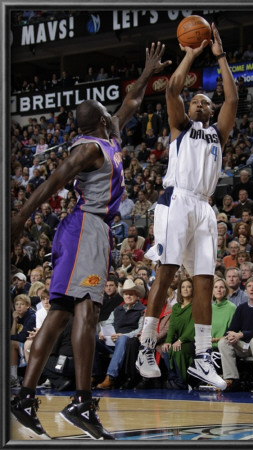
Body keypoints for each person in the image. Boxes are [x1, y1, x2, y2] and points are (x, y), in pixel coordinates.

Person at [10, 42, 171, 440]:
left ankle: (25, 397)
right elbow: (51, 183)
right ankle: (81, 401)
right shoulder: (88, 149)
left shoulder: (107, 139)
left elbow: (131, 103)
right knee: (87, 312)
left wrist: (147, 72)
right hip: (87, 229)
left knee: (63, 312)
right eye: (107, 112)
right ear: (100, 120)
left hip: (85, 230)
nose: (116, 114)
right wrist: (15, 223)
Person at [135, 23, 238, 391]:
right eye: (195, 100)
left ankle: (202, 358)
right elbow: (174, 88)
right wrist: (191, 53)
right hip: (176, 198)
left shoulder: (217, 134)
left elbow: (232, 100)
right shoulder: (180, 126)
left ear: (209, 110)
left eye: (204, 101)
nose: (198, 103)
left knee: (205, 282)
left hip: (204, 207)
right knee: (166, 271)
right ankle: (146, 345)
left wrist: (220, 56)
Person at [218, 277, 253, 391]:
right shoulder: (241, 308)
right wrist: (232, 335)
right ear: (245, 290)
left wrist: (241, 335)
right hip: (243, 346)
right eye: (249, 287)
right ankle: (232, 379)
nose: (252, 289)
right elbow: (232, 329)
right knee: (223, 342)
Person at [94, 279, 146, 389]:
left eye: (131, 294)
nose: (128, 296)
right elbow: (108, 324)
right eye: (126, 294)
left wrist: (123, 335)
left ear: (137, 295)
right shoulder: (117, 310)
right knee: (91, 339)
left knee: (122, 339)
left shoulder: (142, 310)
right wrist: (102, 333)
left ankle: (110, 377)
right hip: (111, 340)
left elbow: (141, 330)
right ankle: (94, 374)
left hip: (128, 341)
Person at [162, 278, 195, 389]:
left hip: (190, 341)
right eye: (183, 287)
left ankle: (182, 381)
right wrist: (168, 341)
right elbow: (172, 326)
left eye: (189, 287)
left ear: (193, 289)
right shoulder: (176, 307)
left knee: (177, 350)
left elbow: (192, 326)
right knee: (166, 349)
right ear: (179, 290)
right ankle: (173, 378)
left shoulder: (195, 306)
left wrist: (180, 340)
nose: (186, 289)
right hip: (178, 340)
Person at [211, 277, 236, 350]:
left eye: (221, 287)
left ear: (226, 290)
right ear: (212, 290)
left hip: (224, 345)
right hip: (208, 345)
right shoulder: (210, 308)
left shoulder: (231, 307)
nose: (218, 290)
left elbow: (232, 334)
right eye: (215, 287)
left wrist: (214, 340)